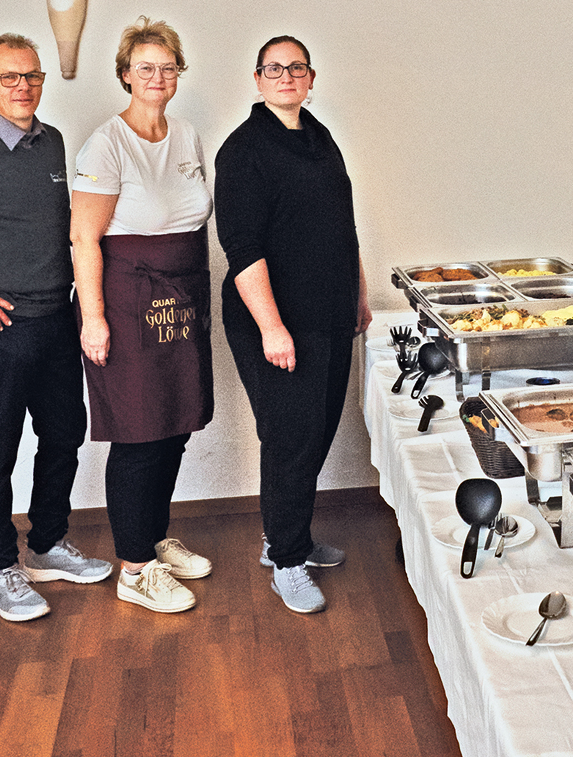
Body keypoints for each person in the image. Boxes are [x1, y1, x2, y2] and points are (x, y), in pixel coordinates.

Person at [0, 34, 112, 622]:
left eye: (32, 76)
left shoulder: (51, 142)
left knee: (64, 435)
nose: (23, 87)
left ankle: (46, 546)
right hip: (1, 330)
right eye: (9, 78)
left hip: (57, 319)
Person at [215, 35, 371, 614]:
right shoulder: (242, 151)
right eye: (273, 68)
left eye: (296, 67)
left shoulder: (318, 137)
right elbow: (242, 249)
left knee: (317, 431)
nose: (285, 76)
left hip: (328, 314)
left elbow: (344, 224)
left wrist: (356, 294)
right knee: (289, 438)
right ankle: (285, 561)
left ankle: (291, 537)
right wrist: (272, 329)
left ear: (310, 78)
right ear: (257, 79)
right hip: (275, 323)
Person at [70, 17, 213, 613]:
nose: (157, 77)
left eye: (167, 66)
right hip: (125, 301)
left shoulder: (186, 135)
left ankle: (154, 539)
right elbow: (84, 238)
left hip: (183, 296)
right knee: (138, 432)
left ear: (178, 74)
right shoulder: (106, 142)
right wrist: (94, 319)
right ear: (126, 75)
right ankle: (134, 567)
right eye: (144, 67)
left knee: (175, 425)